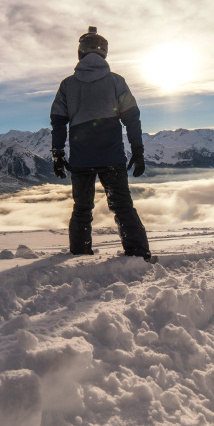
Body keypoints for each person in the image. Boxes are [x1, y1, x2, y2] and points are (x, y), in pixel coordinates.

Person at [50, 26, 154, 261]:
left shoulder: (68, 85)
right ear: (104, 52)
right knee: (123, 207)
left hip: (80, 159)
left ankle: (79, 255)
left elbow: (58, 122)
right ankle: (138, 254)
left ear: (81, 52)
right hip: (112, 158)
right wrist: (137, 150)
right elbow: (132, 118)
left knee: (82, 209)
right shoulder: (116, 82)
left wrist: (57, 154)